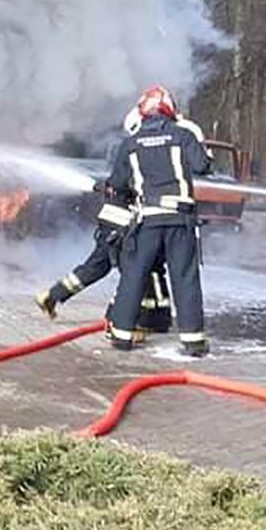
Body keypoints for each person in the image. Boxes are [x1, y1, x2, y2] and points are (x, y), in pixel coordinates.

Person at [34, 108, 173, 339]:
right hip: (122, 224)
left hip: (112, 222)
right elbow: (130, 183)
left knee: (96, 267)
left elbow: (119, 182)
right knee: (133, 271)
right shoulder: (136, 150)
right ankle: (118, 319)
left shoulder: (130, 149)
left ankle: (51, 296)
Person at [106, 85, 212, 356]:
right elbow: (203, 166)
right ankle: (193, 342)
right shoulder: (182, 135)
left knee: (134, 275)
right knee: (185, 278)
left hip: (147, 222)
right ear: (169, 110)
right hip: (180, 221)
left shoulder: (131, 143)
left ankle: (121, 336)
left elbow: (118, 183)